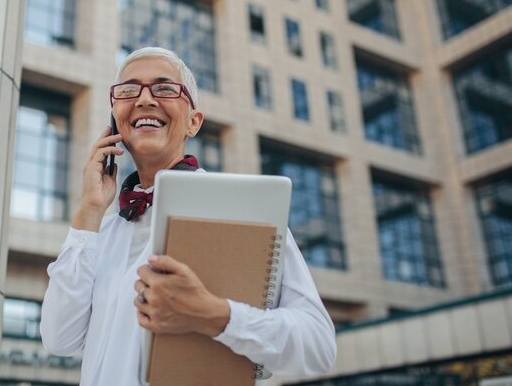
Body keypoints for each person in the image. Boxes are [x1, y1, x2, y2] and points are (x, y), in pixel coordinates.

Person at [40, 47, 336, 386]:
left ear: (193, 122)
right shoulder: (99, 231)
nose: (144, 99)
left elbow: (318, 346)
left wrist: (214, 314)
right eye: (127, 90)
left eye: (164, 88)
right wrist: (88, 213)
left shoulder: (240, 211)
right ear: (115, 120)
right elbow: (58, 339)